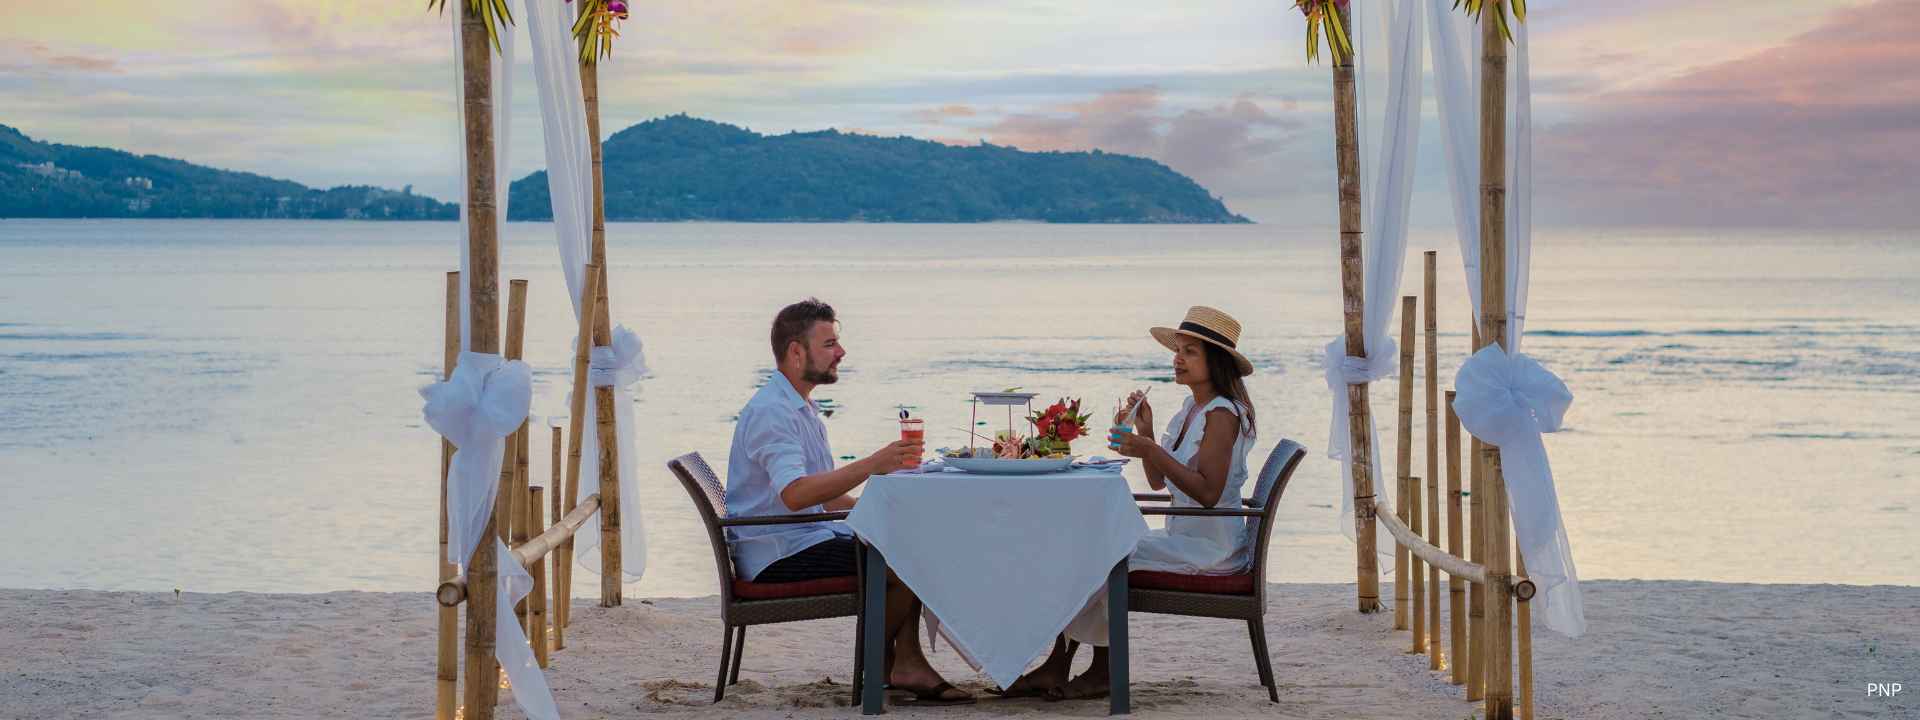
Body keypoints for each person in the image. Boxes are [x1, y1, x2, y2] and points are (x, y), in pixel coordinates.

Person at [1001, 305, 1260, 701]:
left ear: (1217, 361)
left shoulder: (1222, 415)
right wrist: (1147, 432)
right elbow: (1160, 484)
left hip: (1212, 549)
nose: (1177, 359)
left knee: (1102, 554)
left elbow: (1208, 495)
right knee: (1090, 546)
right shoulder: (1193, 408)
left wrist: (1148, 448)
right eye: (1178, 350)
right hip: (1185, 537)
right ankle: (1061, 663)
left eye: (1190, 352)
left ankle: (1100, 670)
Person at [725, 298, 973, 706]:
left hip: (802, 534)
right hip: (777, 552)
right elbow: (795, 495)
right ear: (795, 351)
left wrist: (875, 502)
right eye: (829, 344)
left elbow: (821, 493)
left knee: (908, 536)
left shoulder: (799, 405)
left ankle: (904, 660)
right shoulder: (773, 413)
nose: (841, 353)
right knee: (905, 554)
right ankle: (883, 662)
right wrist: (874, 465)